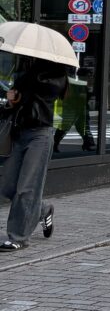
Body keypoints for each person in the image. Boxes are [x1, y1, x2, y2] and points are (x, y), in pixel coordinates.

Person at [0, 57, 69, 250]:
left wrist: (22, 87)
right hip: (18, 133)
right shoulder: (25, 72)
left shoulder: (56, 75)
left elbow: (44, 94)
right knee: (7, 185)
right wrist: (12, 101)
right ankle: (42, 210)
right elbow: (15, 105)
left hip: (40, 135)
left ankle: (18, 237)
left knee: (27, 187)